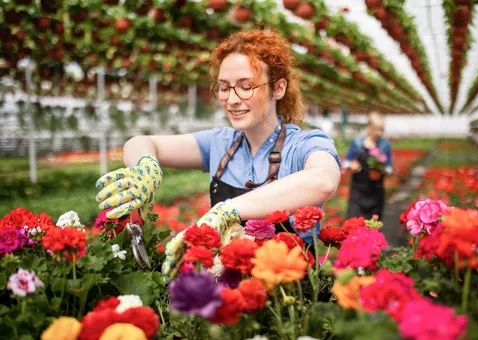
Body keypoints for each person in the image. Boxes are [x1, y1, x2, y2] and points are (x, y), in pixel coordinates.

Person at [94, 29, 342, 281]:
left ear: (278, 88)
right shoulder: (220, 143)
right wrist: (145, 167)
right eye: (224, 88)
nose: (231, 99)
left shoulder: (304, 144)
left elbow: (323, 181)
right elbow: (140, 142)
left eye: (245, 87)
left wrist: (227, 211)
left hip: (286, 303)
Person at [343, 112, 392, 220]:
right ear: (369, 127)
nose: (379, 133)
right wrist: (351, 165)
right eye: (376, 129)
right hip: (358, 191)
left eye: (381, 130)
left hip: (376, 191)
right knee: (354, 222)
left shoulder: (384, 145)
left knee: (373, 225)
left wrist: (383, 170)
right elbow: (345, 162)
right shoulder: (357, 143)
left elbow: (389, 167)